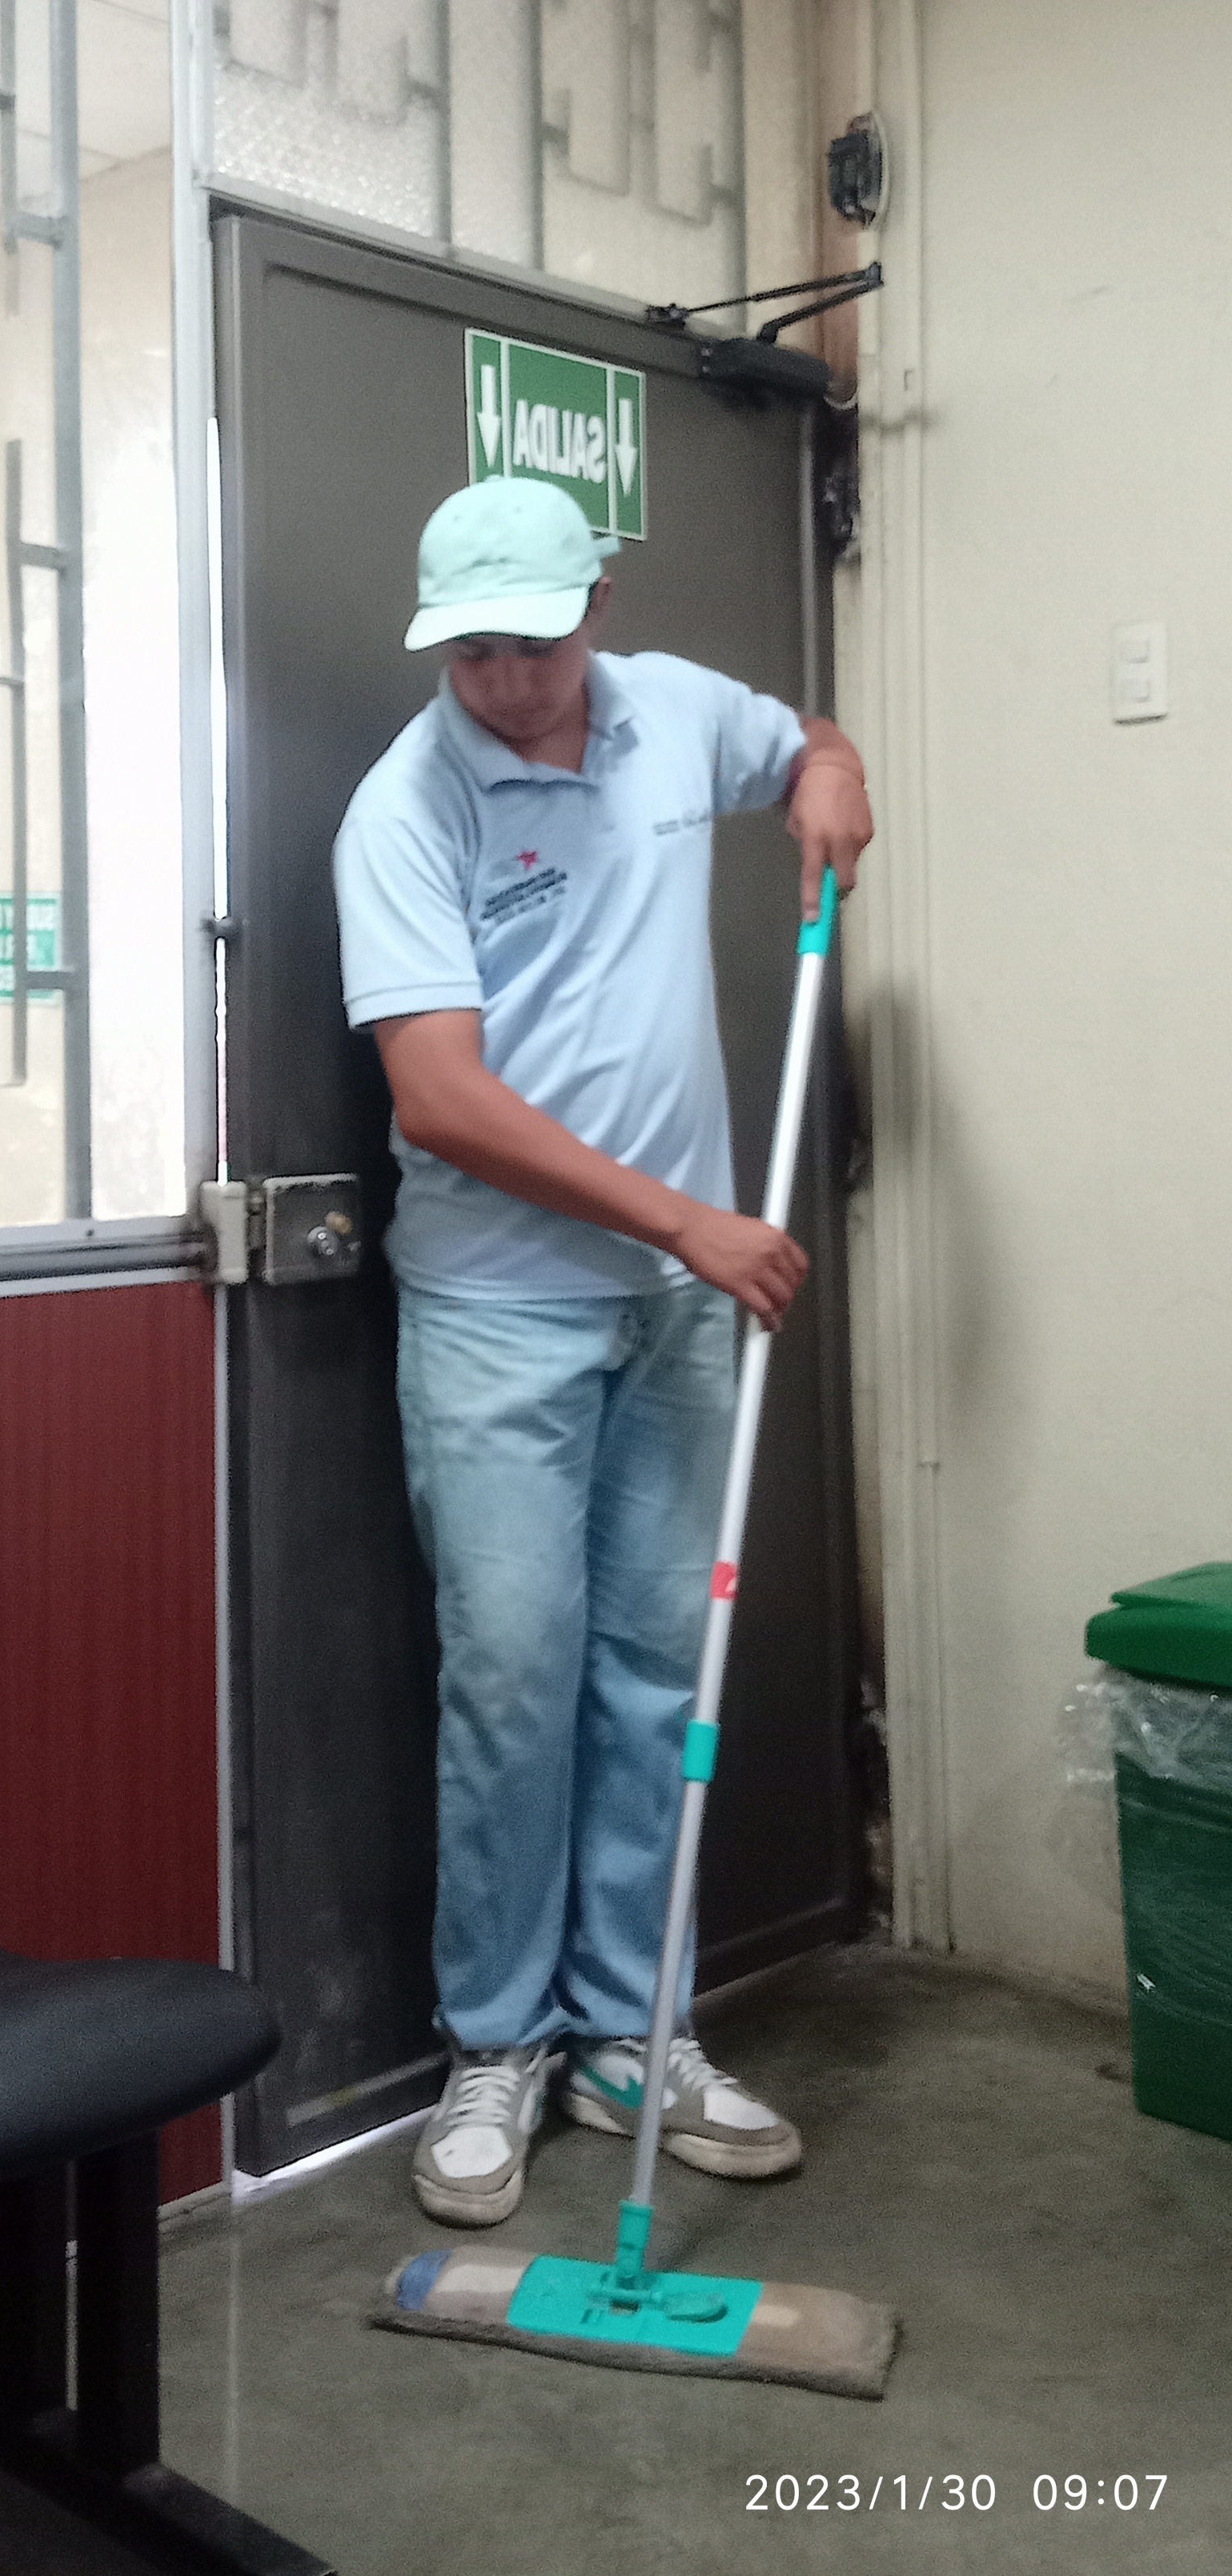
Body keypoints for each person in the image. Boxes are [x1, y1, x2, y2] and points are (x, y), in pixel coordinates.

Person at [332, 474, 873, 2228]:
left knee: (658, 1669)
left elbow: (799, 741)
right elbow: (442, 1098)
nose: (506, 681)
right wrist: (686, 1222)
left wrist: (829, 768)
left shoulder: (671, 713)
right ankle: (497, 2041)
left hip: (671, 1313)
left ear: (597, 605)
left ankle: (633, 2029)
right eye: (472, 651)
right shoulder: (404, 807)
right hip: (500, 1309)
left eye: (535, 643)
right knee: (514, 1675)